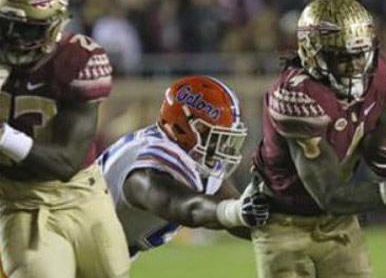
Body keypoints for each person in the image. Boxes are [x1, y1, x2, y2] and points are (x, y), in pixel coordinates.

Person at [250, 0, 386, 278]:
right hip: (284, 221)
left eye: (360, 54)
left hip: (339, 224)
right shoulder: (297, 95)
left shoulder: (376, 73)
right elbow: (331, 195)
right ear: (313, 54)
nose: (356, 66)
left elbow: (378, 113)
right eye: (343, 57)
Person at [0, 0, 129, 277]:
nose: (14, 37)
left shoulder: (76, 59)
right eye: (5, 25)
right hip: (19, 201)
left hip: (80, 195)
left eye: (28, 28)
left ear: (55, 25)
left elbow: (65, 162)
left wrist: (3, 136)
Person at [98, 75, 269, 258]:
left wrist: (288, 224)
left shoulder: (193, 159)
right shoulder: (152, 162)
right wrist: (236, 211)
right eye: (216, 137)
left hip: (100, 251)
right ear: (185, 128)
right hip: (73, 242)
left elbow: (236, 217)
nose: (221, 147)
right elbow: (185, 207)